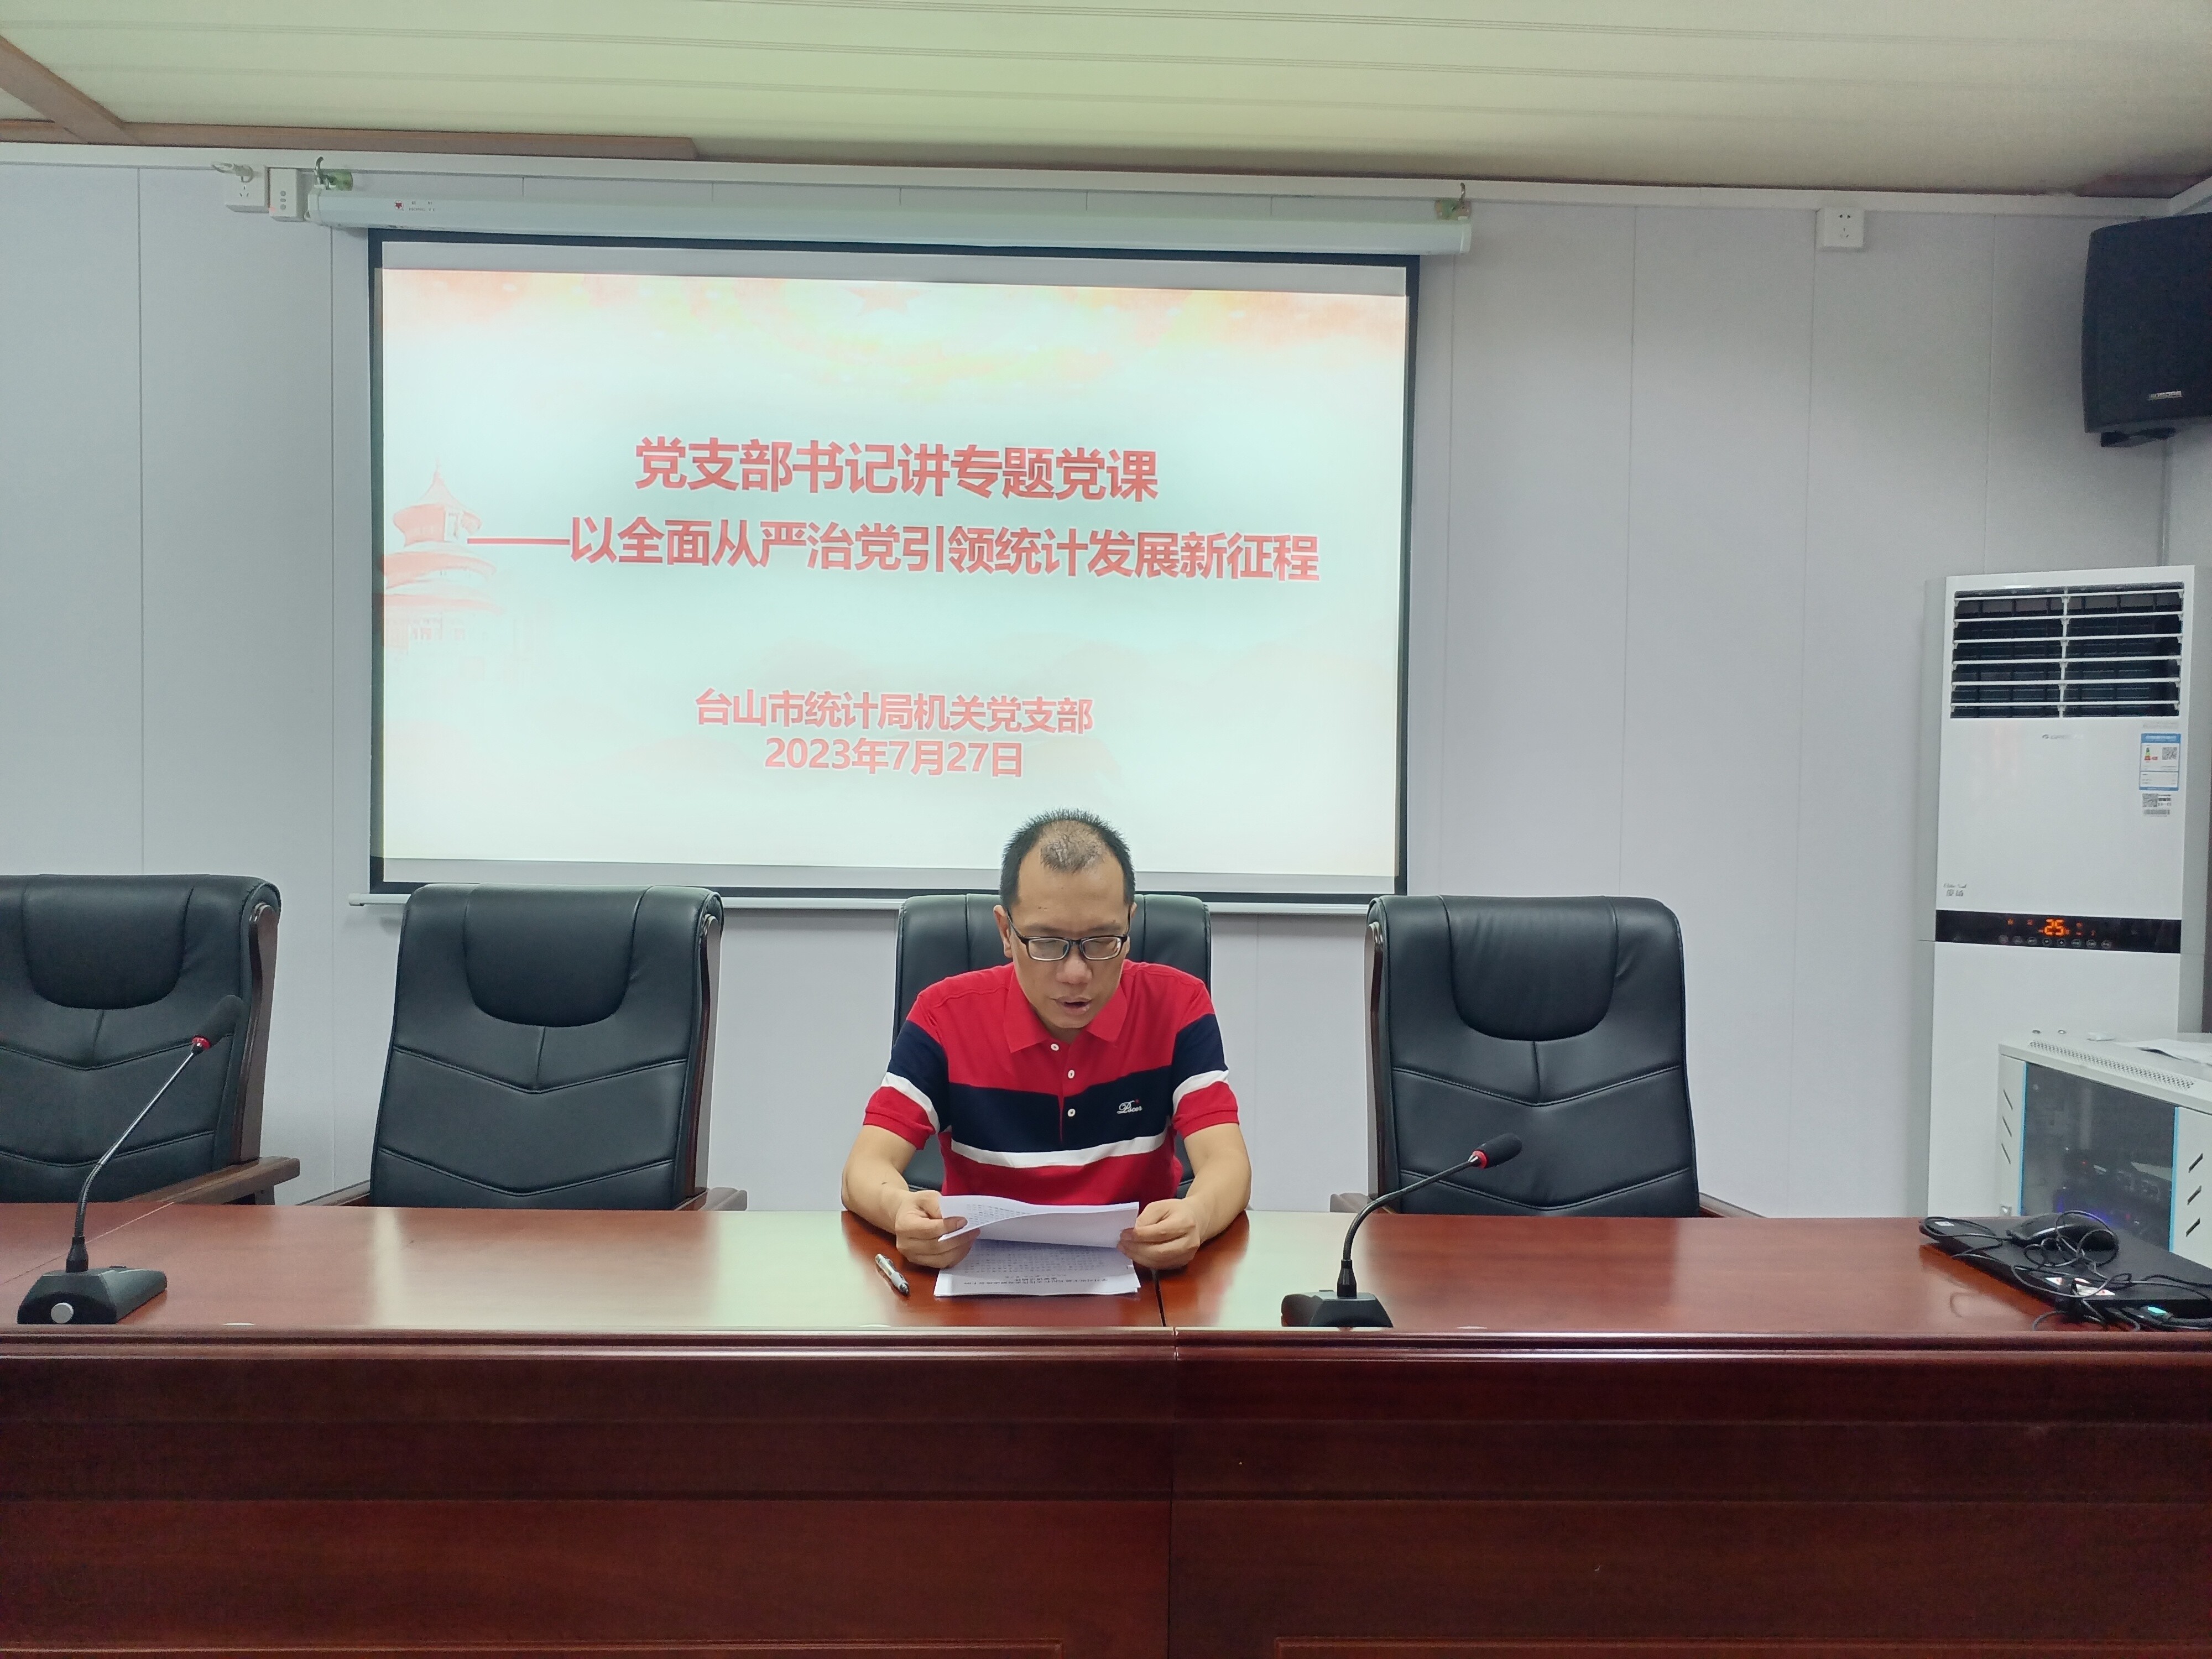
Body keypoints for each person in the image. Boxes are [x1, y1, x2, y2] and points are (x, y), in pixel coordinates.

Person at [841, 810, 1251, 1272]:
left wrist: (1197, 1215)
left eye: (1102, 940)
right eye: (1047, 943)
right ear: (1006, 933)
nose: (1075, 974)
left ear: (1129, 925)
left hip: (1137, 1279)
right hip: (977, 1278)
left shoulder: (1177, 1005)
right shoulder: (944, 1014)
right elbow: (864, 1169)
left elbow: (1227, 1162)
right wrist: (900, 1209)